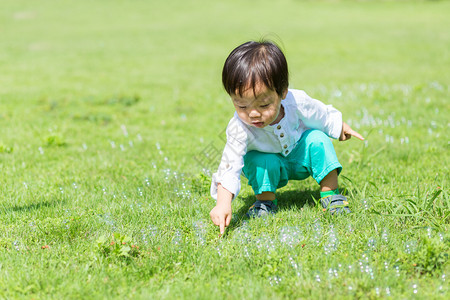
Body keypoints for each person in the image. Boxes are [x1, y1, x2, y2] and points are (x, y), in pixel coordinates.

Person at [209, 40, 364, 235]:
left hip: (299, 156)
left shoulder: (296, 102)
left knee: (318, 139)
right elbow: (230, 166)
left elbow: (320, 114)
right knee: (257, 160)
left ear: (282, 92)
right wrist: (223, 204)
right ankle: (265, 202)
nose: (253, 114)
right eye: (242, 106)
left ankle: (331, 195)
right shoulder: (239, 128)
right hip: (270, 165)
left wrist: (339, 126)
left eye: (264, 105)